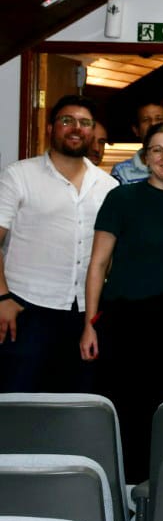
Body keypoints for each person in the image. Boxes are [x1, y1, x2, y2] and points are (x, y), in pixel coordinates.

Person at [80, 122, 163, 481]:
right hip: (123, 321)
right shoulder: (122, 198)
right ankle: (120, 501)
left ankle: (159, 500)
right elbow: (97, 264)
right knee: (123, 417)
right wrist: (89, 324)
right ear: (145, 157)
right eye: (157, 150)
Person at [0, 96, 117, 393]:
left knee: (76, 407)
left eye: (85, 123)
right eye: (67, 120)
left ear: (92, 132)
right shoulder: (19, 175)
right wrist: (2, 298)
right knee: (19, 401)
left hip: (85, 314)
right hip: (25, 309)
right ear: (50, 128)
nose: (76, 128)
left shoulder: (108, 187)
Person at [111, 101, 163, 184]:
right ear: (136, 130)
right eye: (146, 120)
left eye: (159, 119)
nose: (153, 124)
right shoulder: (122, 171)